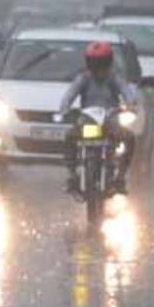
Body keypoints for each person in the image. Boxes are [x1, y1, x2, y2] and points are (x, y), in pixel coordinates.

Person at [59, 41, 139, 194]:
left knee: (129, 138)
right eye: (94, 62)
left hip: (110, 124)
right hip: (88, 123)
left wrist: (131, 105)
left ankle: (120, 177)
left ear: (108, 61)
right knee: (70, 137)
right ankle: (72, 176)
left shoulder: (115, 78)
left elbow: (127, 93)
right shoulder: (83, 78)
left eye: (101, 62)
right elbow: (69, 95)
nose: (97, 67)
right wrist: (64, 109)